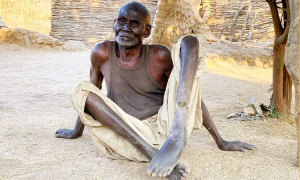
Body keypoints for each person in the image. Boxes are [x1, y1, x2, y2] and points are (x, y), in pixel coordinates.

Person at [55, 2, 256, 179]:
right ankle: (153, 154)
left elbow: (189, 92)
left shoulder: (159, 55)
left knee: (190, 42)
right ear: (114, 24)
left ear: (147, 31)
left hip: (165, 129)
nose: (125, 28)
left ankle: (176, 136)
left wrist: (220, 140)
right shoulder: (101, 52)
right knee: (81, 90)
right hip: (126, 136)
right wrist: (76, 131)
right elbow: (92, 93)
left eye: (134, 23)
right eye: (121, 21)